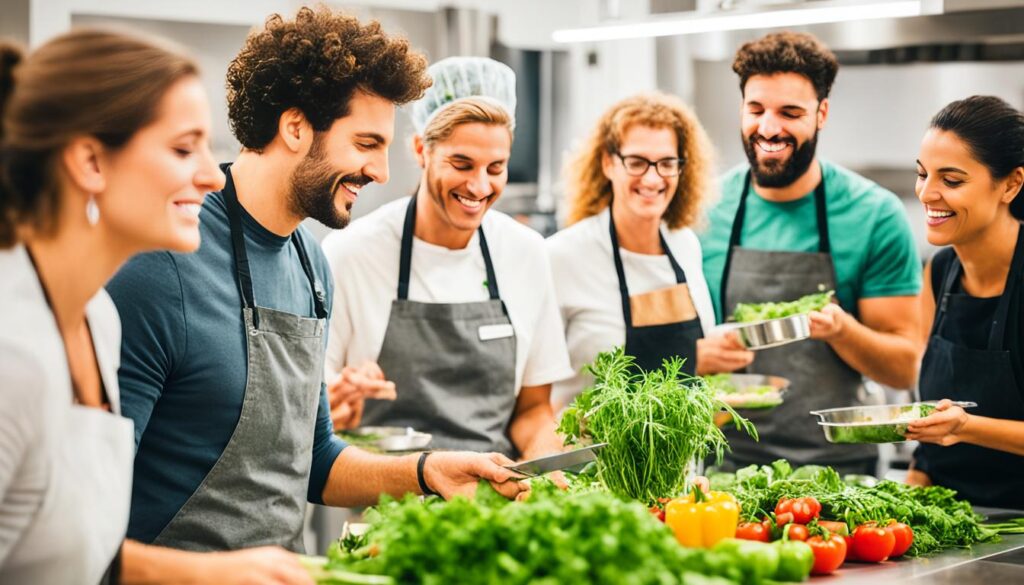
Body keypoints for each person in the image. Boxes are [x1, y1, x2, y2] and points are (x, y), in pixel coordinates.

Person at [107, 8, 525, 556]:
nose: (380, 171)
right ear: (296, 127)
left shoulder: (311, 264)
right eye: (367, 143)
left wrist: (427, 472)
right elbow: (85, 513)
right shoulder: (162, 264)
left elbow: (315, 461)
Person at [0, 29, 316, 585]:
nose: (209, 174)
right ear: (91, 161)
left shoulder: (96, 319)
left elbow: (55, 550)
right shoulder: (12, 352)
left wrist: (215, 574)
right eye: (182, 147)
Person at [322, 56, 573, 462]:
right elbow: (319, 414)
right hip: (387, 504)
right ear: (421, 149)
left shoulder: (526, 253)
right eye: (461, 164)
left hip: (491, 502)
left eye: (496, 168)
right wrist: (337, 404)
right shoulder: (352, 254)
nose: (479, 186)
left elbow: (532, 411)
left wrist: (546, 464)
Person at [699, 32, 922, 474]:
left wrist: (843, 330)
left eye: (790, 113)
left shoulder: (874, 214)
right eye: (756, 109)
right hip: (723, 469)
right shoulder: (701, 209)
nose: (768, 129)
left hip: (839, 474)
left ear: (822, 113)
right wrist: (697, 353)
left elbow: (903, 368)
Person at [546, 92, 754, 409]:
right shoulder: (562, 256)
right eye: (637, 162)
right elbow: (536, 387)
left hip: (682, 457)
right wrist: (690, 359)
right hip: (590, 454)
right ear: (607, 162)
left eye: (667, 163)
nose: (653, 177)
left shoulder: (684, 244)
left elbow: (696, 358)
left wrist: (719, 348)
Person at [905, 96, 1024, 508]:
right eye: (922, 175)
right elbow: (930, 435)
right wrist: (905, 499)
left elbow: (954, 427)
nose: (926, 193)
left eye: (951, 181)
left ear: (1011, 184)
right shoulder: (938, 273)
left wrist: (966, 427)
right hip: (954, 524)